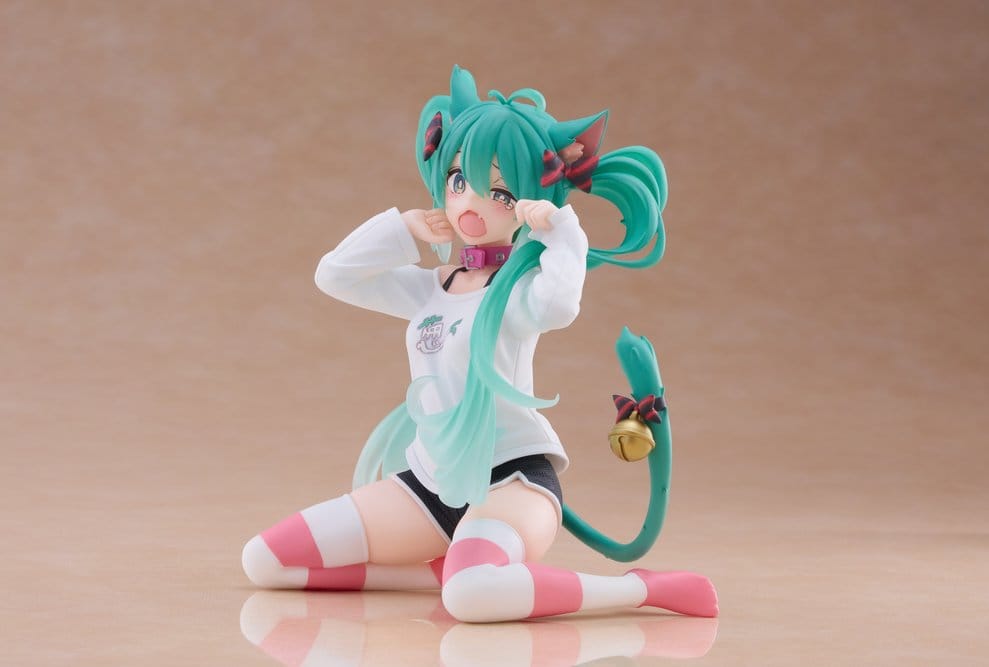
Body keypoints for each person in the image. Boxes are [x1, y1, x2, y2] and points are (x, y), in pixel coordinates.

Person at [242, 66, 718, 623]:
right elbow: (334, 276)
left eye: (500, 192)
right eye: (459, 181)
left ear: (529, 200)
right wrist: (405, 228)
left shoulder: (516, 291)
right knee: (267, 560)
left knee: (472, 594)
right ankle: (441, 573)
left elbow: (560, 305)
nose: (470, 203)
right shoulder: (429, 289)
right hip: (430, 483)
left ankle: (637, 590)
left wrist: (560, 230)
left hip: (512, 481)